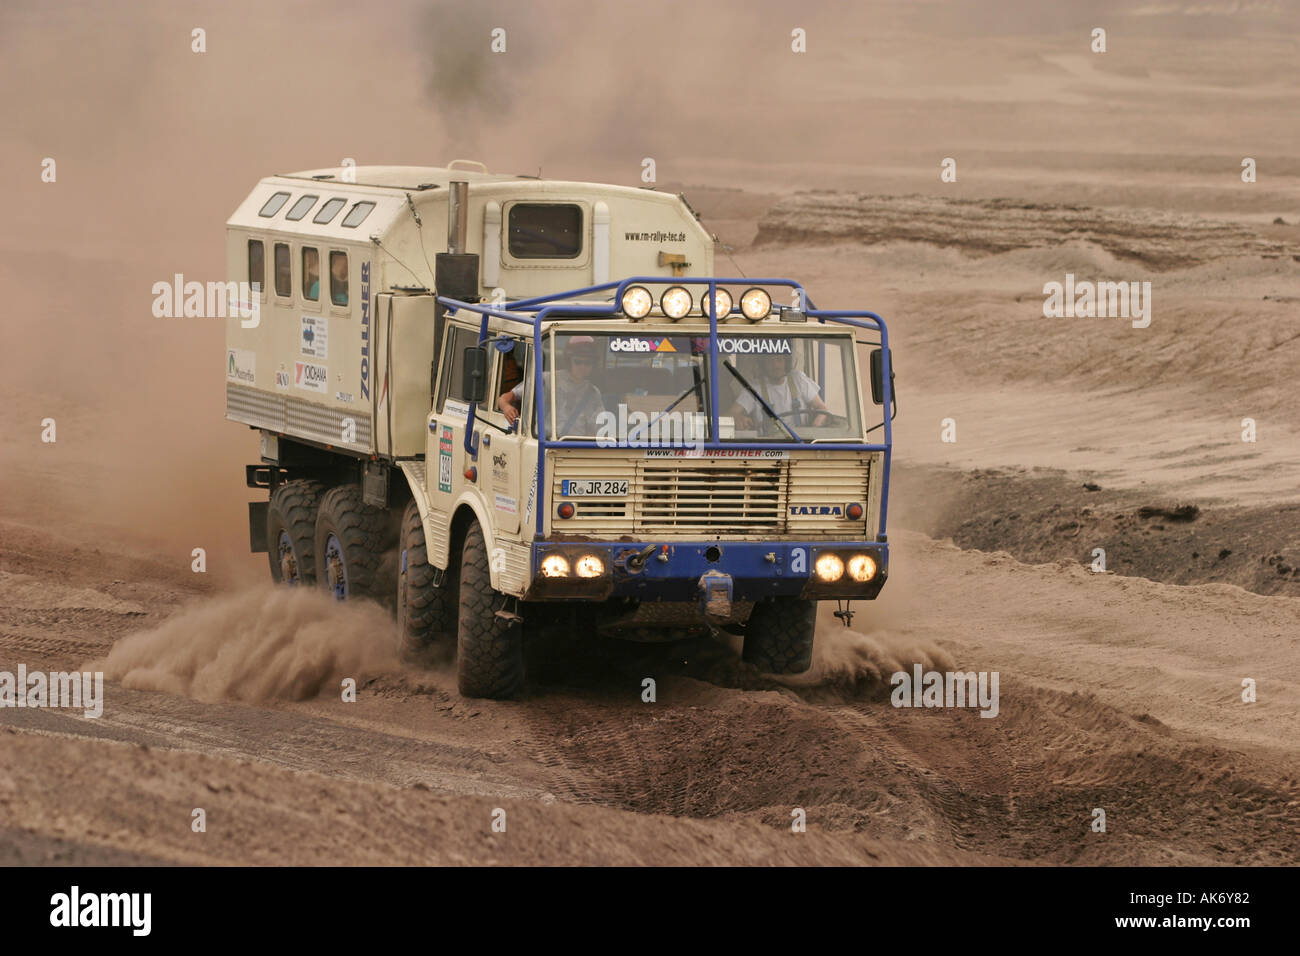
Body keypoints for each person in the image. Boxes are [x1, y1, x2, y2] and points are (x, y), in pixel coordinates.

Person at [497, 336, 604, 436]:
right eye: (578, 362)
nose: (582, 367)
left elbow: (598, 428)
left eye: (588, 363)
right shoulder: (546, 380)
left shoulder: (593, 392)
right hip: (545, 441)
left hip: (576, 446)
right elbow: (504, 398)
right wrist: (506, 407)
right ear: (568, 360)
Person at [727, 350, 829, 431]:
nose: (775, 365)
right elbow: (730, 414)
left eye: (779, 359)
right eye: (770, 361)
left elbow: (822, 409)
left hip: (800, 443)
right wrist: (738, 418)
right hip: (768, 446)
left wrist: (815, 428)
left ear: (786, 362)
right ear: (763, 364)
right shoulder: (754, 388)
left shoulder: (798, 379)